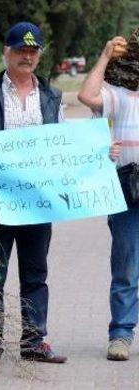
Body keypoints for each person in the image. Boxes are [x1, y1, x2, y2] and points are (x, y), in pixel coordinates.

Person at [0, 21, 67, 368]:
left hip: (37, 203)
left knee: (35, 274)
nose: (27, 56)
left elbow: (64, 145)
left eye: (33, 51)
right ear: (6, 52)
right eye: (21, 50)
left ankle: (34, 341)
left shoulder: (51, 96)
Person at [78, 36, 138, 361]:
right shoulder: (120, 96)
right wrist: (103, 56)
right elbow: (85, 95)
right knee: (126, 266)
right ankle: (121, 334)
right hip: (128, 186)